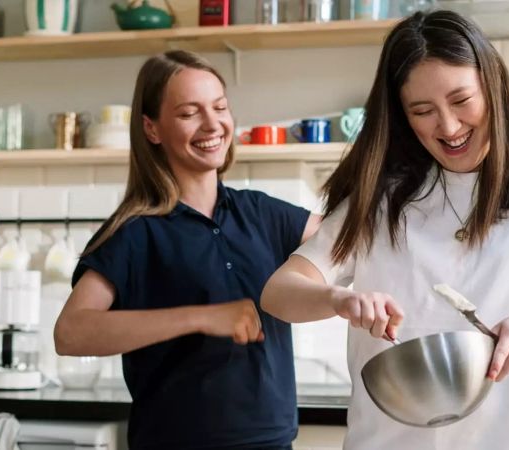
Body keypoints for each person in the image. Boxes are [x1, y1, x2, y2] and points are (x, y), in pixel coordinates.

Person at [261, 10, 509, 450]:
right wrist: (339, 299)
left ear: (493, 87)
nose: (448, 127)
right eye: (423, 111)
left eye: (462, 100)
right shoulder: (382, 198)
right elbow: (279, 293)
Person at [53, 50, 321, 450]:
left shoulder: (263, 214)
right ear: (152, 129)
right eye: (189, 113)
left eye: (220, 107)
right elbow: (70, 334)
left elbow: (351, 240)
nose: (212, 124)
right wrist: (200, 317)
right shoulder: (134, 232)